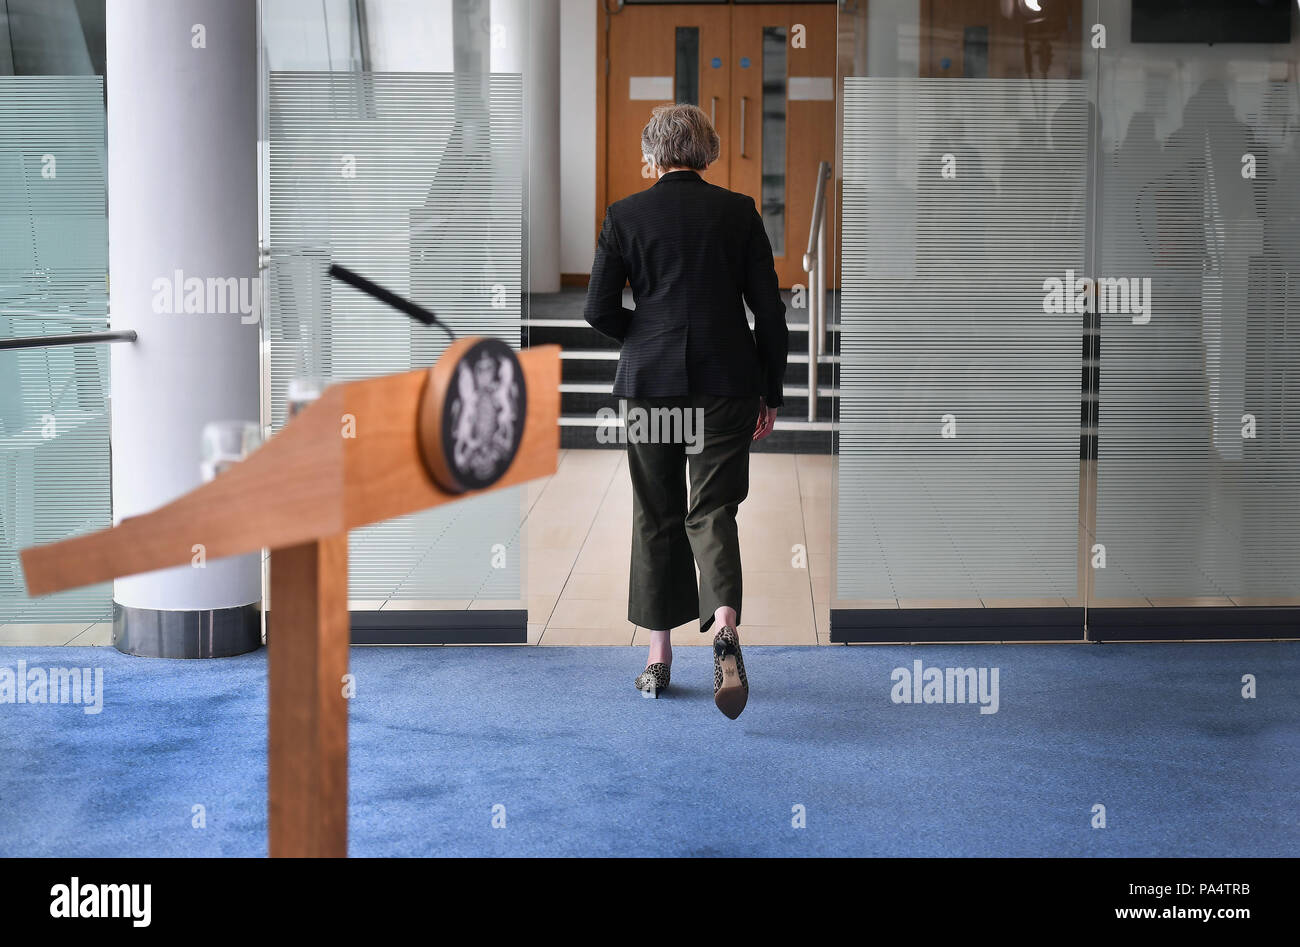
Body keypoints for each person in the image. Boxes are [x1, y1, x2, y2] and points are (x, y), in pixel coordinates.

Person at [583, 103, 788, 719]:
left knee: (656, 514)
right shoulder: (739, 212)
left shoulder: (624, 216)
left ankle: (658, 658)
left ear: (653, 153)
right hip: (727, 384)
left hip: (650, 387)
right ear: (708, 151)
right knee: (713, 511)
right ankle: (724, 626)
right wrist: (770, 391)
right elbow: (770, 314)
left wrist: (644, 337)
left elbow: (598, 309)